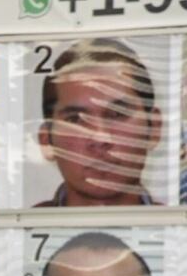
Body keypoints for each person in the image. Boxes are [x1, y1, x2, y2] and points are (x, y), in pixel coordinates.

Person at [34, 38, 162, 207]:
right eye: (75, 120)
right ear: (46, 141)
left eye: (117, 114)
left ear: (153, 128)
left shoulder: (178, 231)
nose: (100, 138)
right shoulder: (15, 232)